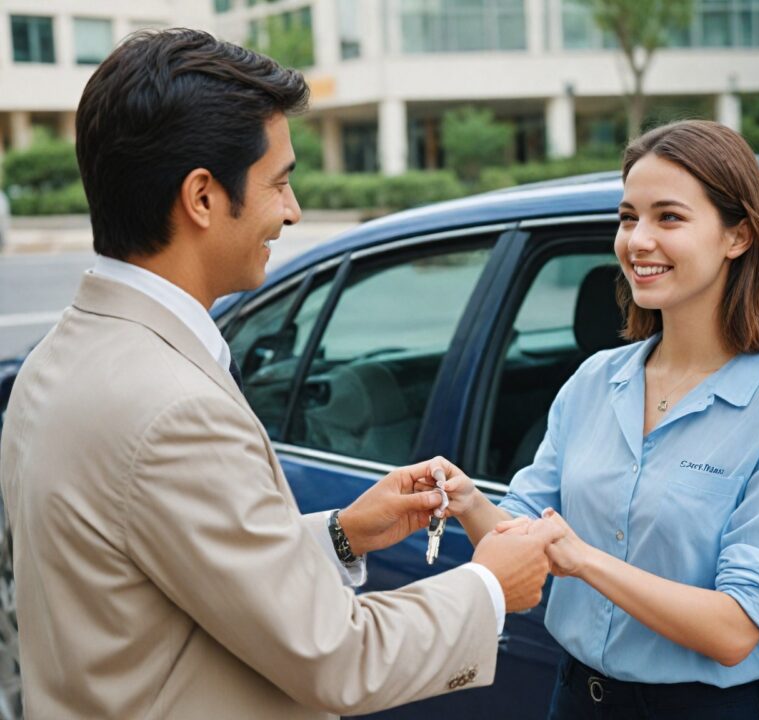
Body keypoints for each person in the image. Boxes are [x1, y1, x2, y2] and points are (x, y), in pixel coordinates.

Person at [0, 29, 562, 719]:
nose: (292, 210)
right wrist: (490, 587)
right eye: (280, 181)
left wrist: (341, 534)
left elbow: (158, 570)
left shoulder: (58, 357)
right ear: (203, 197)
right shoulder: (174, 408)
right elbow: (339, 659)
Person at [423, 120, 759, 718]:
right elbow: (518, 538)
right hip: (573, 698)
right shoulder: (595, 380)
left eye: (668, 218)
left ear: (738, 236)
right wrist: (466, 501)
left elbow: (735, 630)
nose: (637, 241)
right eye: (628, 217)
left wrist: (585, 559)